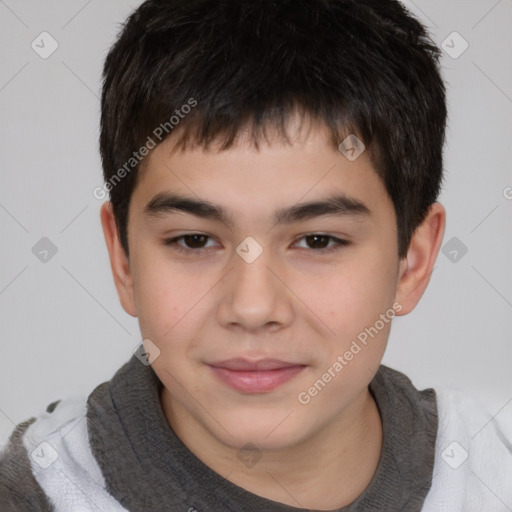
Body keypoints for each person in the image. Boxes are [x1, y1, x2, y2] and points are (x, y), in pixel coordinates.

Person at [1, 0, 511, 510]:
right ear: (124, 259)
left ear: (413, 261)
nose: (252, 308)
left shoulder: (494, 468)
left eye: (317, 241)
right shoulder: (37, 493)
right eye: (194, 241)